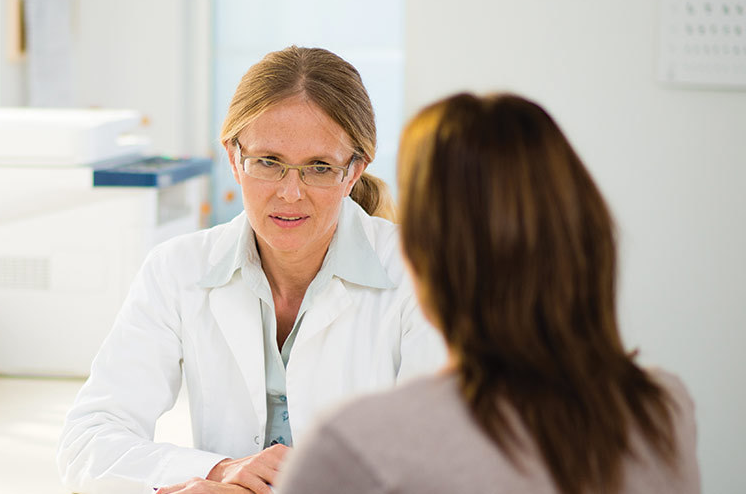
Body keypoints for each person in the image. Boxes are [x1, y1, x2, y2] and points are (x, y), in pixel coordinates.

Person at [58, 46, 447, 494]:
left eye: (319, 168)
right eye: (268, 162)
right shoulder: (177, 271)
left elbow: (438, 465)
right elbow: (87, 440)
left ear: (354, 171)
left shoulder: (423, 276)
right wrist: (216, 471)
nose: (290, 193)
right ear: (233, 158)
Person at [276, 93, 701, 493]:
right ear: (587, 236)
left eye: (319, 167)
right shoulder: (662, 408)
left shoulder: (356, 447)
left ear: (421, 256)